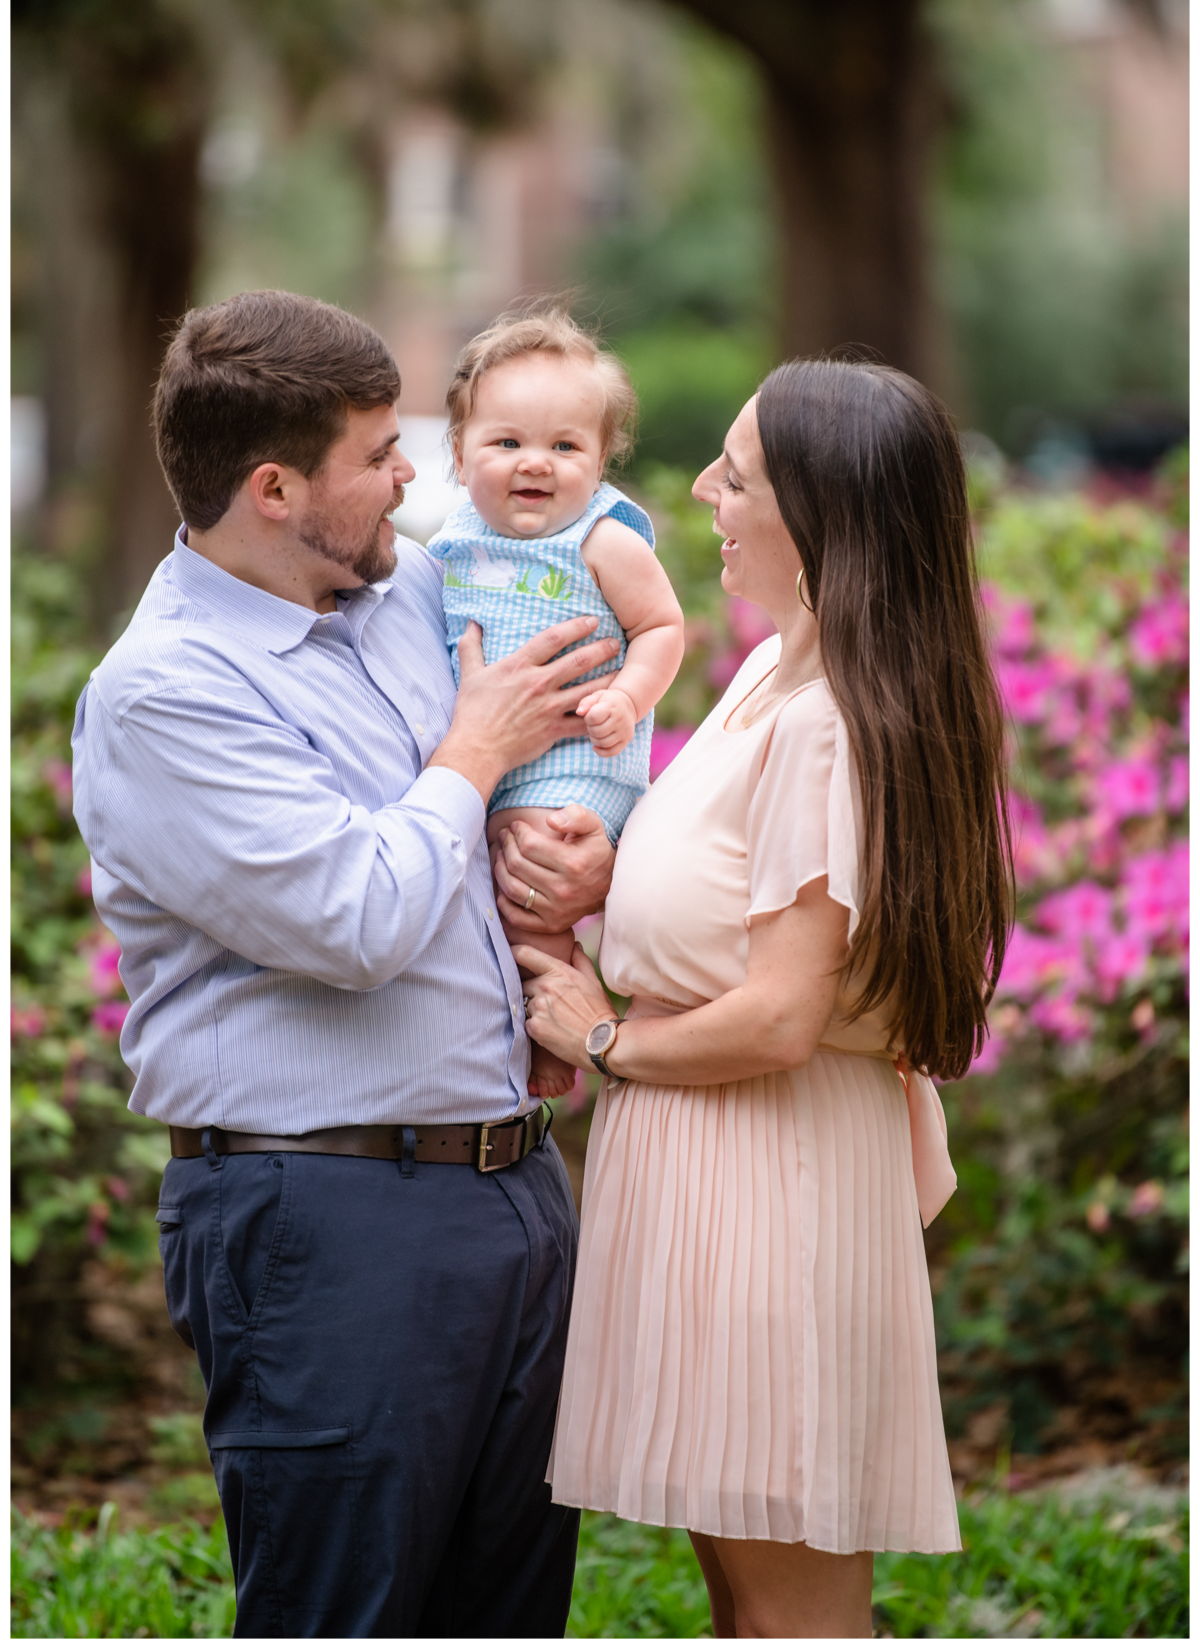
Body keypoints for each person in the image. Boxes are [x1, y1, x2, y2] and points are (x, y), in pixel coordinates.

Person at [70, 288, 620, 1638]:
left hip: (512, 1191)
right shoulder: (169, 694)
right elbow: (354, 922)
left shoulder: (407, 592)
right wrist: (471, 753)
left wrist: (579, 855)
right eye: (378, 456)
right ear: (273, 487)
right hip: (322, 1221)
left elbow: (528, 787)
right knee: (347, 1616)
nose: (412, 477)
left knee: (505, 1616)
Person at [510, 354, 1014, 1638]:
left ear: (821, 513)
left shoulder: (826, 719)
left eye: (735, 476)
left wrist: (601, 1036)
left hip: (766, 1194)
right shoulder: (768, 678)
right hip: (713, 1181)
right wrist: (613, 876)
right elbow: (752, 915)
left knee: (792, 1612)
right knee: (745, 1601)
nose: (700, 494)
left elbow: (785, 1014)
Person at [427, 306, 685, 1099]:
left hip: (576, 765)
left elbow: (662, 627)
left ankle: (553, 1041)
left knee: (529, 897)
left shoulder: (603, 541)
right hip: (488, 765)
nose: (534, 462)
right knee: (491, 904)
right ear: (460, 452)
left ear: (601, 460)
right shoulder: (450, 545)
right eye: (506, 442)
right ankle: (543, 1021)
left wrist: (630, 696)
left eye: (565, 446)